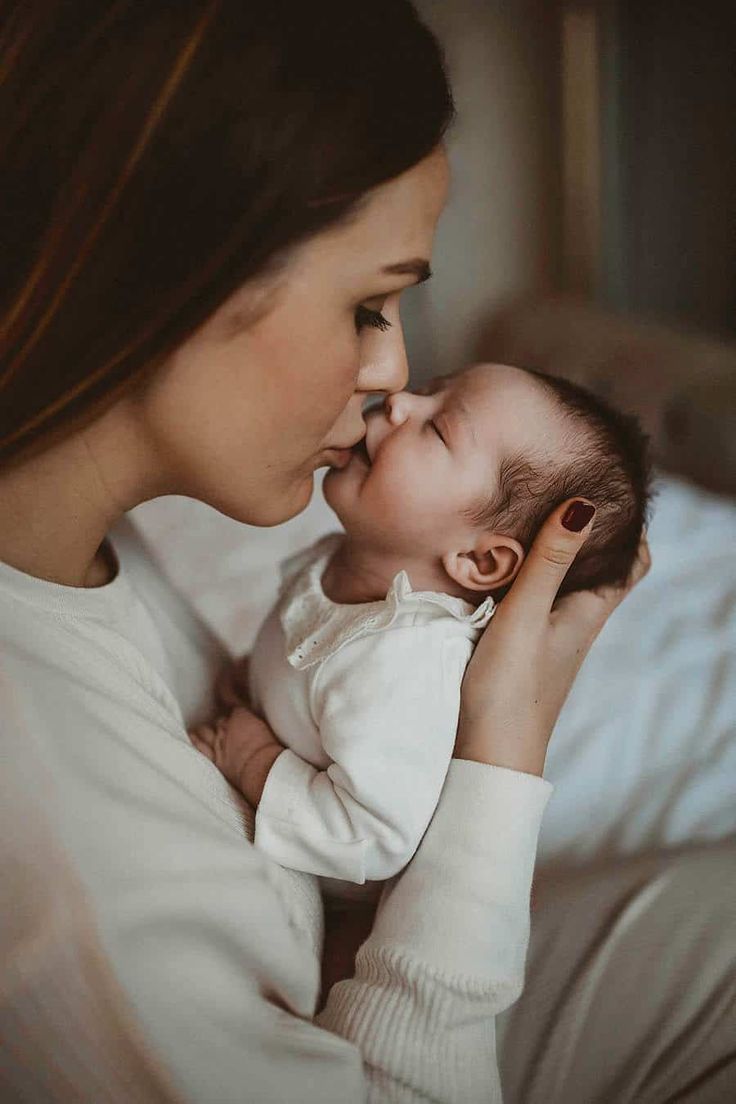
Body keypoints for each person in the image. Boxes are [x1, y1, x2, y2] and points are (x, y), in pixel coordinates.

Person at [1, 4, 732, 1104]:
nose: (390, 372)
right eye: (368, 304)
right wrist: (503, 752)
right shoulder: (84, 894)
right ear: (180, 270)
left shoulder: (86, 549)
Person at [189, 362, 651, 896]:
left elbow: (374, 836)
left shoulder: (406, 662)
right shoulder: (354, 566)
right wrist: (256, 689)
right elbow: (312, 668)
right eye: (431, 391)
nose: (400, 402)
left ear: (479, 563)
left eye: (438, 428)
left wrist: (253, 758)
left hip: (314, 890)